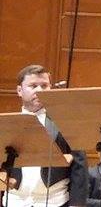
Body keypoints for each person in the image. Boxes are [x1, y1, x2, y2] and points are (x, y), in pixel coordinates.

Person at [7, 64, 89, 207]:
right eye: (33, 86)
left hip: (55, 201)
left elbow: (79, 166)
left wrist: (77, 204)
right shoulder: (8, 124)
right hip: (15, 201)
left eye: (44, 86)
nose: (39, 90)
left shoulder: (65, 122)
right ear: (19, 90)